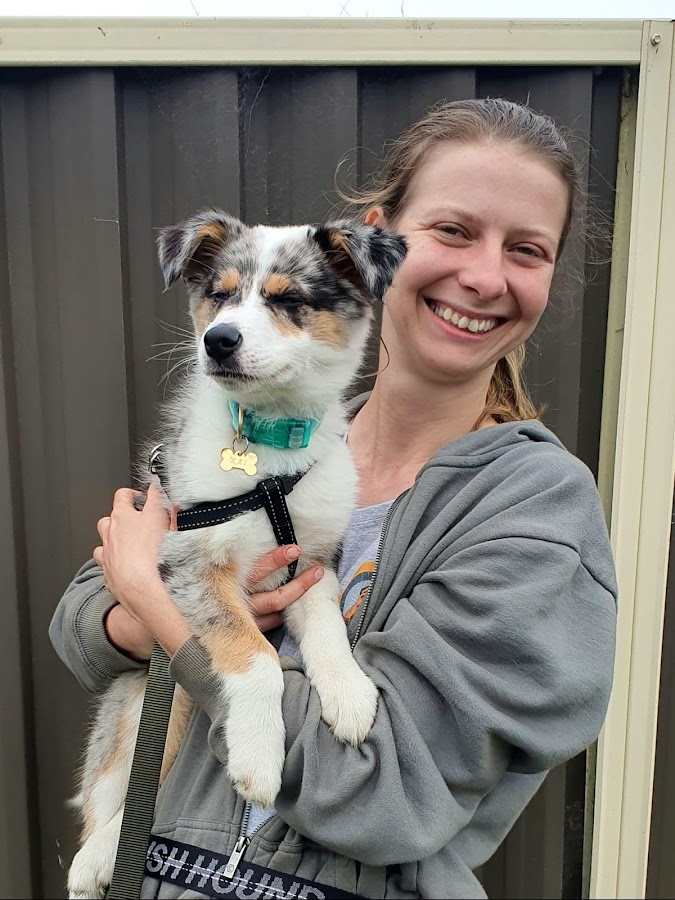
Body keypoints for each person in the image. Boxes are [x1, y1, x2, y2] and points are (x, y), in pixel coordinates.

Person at [50, 98, 617, 899]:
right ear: (383, 238)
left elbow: (378, 790)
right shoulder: (266, 427)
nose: (484, 276)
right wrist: (130, 615)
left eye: (525, 249)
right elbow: (83, 626)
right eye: (453, 230)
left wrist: (164, 612)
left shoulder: (533, 509)